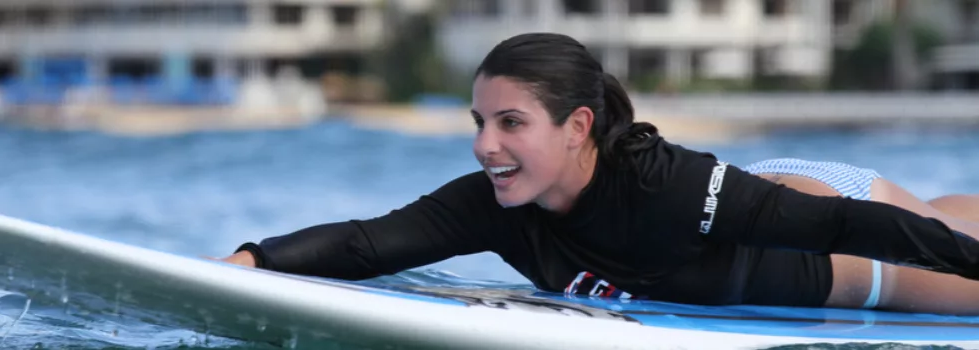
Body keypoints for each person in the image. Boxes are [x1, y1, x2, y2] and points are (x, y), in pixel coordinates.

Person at [220, 33, 979, 315]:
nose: (486, 145)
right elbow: (367, 244)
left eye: (510, 123)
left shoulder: (665, 187)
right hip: (776, 205)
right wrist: (251, 261)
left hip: (841, 242)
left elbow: (841, 226)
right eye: (479, 123)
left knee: (954, 249)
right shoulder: (492, 203)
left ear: (578, 126)